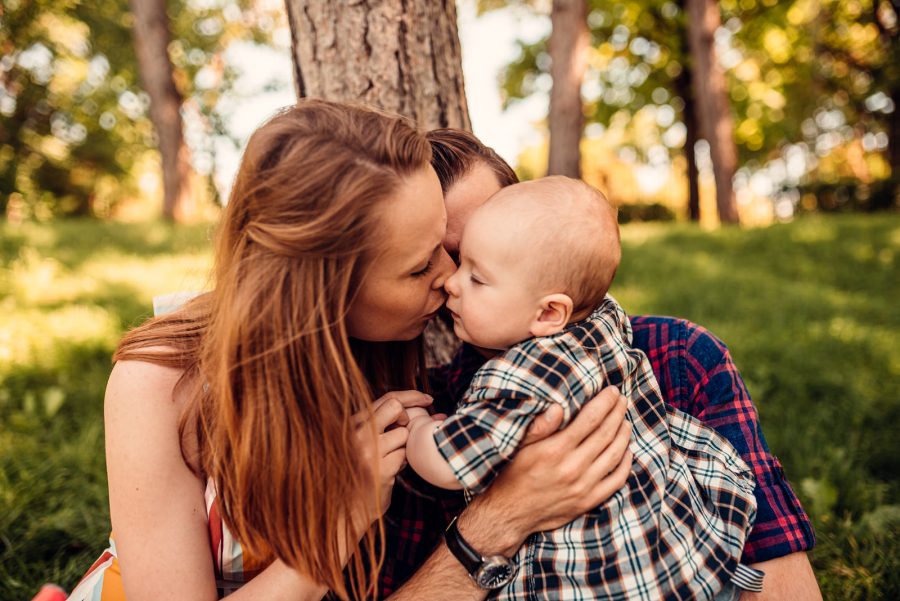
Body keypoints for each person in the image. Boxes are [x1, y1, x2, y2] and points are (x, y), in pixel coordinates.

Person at [64, 100, 635, 601]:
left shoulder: (395, 358)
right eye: (420, 267)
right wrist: (344, 521)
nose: (447, 279)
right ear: (324, 294)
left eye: (444, 248)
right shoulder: (160, 384)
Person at [377, 128, 820, 600]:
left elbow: (781, 580)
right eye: (441, 258)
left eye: (482, 254)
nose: (451, 280)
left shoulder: (676, 357)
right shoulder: (414, 411)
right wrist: (497, 518)